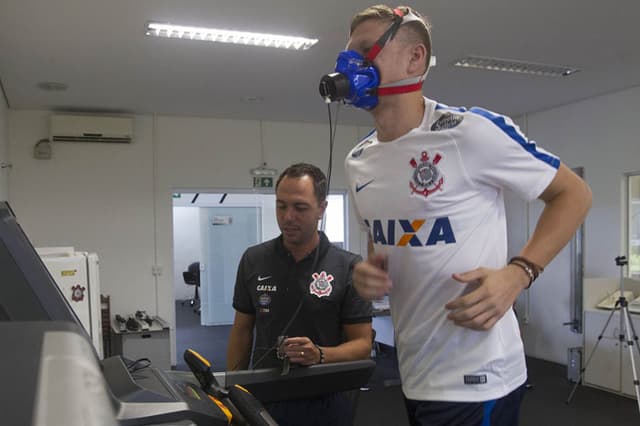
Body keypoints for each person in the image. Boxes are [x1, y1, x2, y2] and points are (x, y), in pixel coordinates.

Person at [334, 5, 593, 426]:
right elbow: (382, 245)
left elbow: (574, 194)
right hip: (416, 373)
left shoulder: (469, 132)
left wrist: (518, 273)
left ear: (414, 58)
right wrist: (369, 271)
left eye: (365, 51)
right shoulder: (359, 160)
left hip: (481, 376)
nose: (349, 66)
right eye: (346, 55)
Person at [227, 162, 373, 426]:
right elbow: (242, 331)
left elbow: (362, 345)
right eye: (281, 206)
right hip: (264, 394)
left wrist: (319, 354)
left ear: (322, 209)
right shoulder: (254, 259)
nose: (288, 216)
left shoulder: (348, 266)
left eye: (300, 207)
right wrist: (231, 390)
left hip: (325, 398)